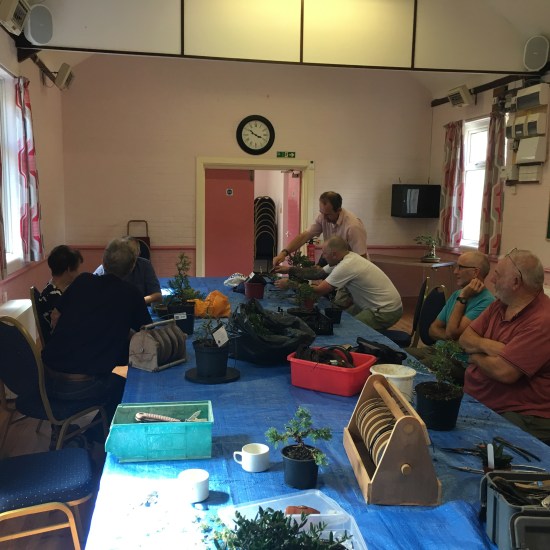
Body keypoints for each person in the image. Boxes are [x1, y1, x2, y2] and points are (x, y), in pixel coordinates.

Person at [42, 238, 152, 442]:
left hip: (46, 378)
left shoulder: (82, 281)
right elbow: (146, 335)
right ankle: (92, 438)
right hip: (80, 385)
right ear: (131, 267)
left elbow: (56, 315)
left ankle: (77, 434)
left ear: (104, 261)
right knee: (128, 386)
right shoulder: (131, 294)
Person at [459, 249, 550, 444]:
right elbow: (465, 338)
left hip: (519, 412)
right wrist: (490, 346)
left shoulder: (542, 321)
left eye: (498, 275)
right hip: (479, 399)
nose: (492, 280)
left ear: (516, 282)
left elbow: (504, 372)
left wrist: (475, 356)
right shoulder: (501, 304)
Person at [275, 236, 402, 330]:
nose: (323, 257)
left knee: (348, 330)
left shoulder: (347, 265)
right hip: (373, 304)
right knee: (340, 322)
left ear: (334, 254)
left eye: (325, 253)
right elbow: (318, 273)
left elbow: (319, 291)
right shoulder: (345, 258)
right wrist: (289, 270)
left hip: (384, 311)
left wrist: (290, 284)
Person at [407, 251, 494, 374]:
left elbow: (452, 332)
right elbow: (433, 329)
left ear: (475, 272)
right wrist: (452, 340)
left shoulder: (487, 303)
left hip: (458, 361)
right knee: (396, 355)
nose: (455, 272)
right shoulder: (456, 294)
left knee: (411, 370)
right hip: (437, 350)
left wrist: (463, 297)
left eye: (460, 267)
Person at [272, 191, 368, 266]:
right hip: (332, 260)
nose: (324, 218)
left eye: (328, 214)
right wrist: (283, 253)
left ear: (339, 210)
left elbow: (362, 259)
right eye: (322, 212)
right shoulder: (322, 217)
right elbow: (304, 236)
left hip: (350, 264)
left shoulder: (353, 226)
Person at [95, 236, 162, 305]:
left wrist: (135, 302)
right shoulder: (104, 268)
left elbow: (157, 295)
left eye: (133, 251)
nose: (130, 253)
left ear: (139, 252)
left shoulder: (144, 265)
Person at [39, 245, 83, 333]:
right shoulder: (54, 297)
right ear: (69, 270)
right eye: (77, 269)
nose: (78, 273)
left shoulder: (52, 289)